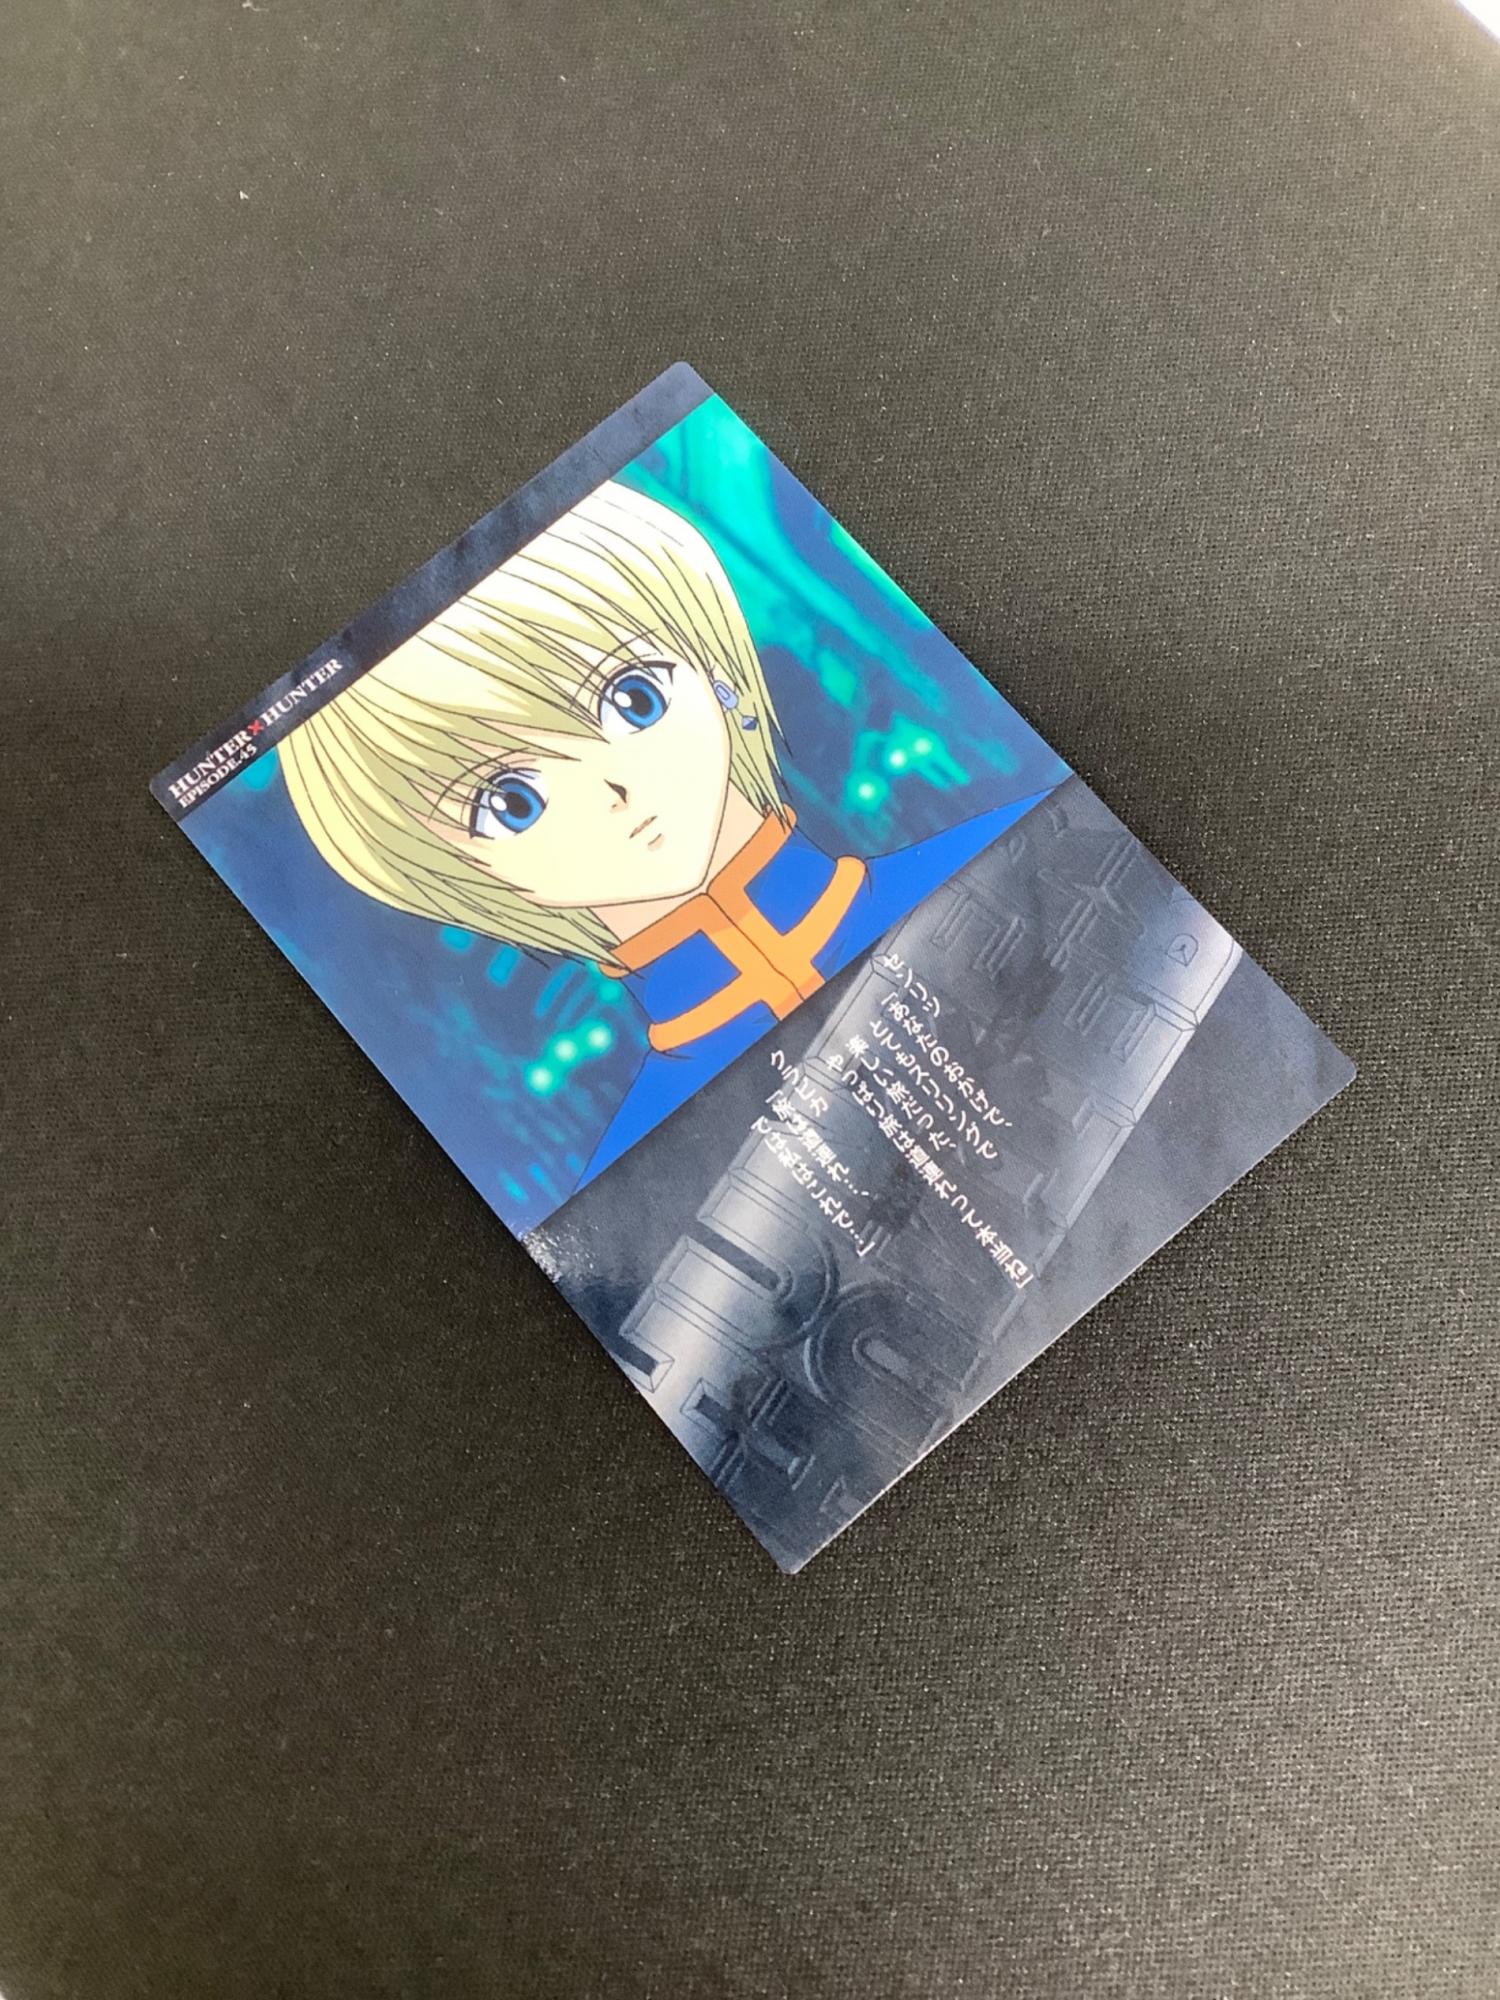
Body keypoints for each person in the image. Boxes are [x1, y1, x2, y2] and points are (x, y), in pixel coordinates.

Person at [278, 480, 1052, 1193]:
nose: (613, 788)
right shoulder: (637, 1174)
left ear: (716, 672)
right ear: (458, 872)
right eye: (511, 802)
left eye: (634, 697)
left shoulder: (1024, 851)